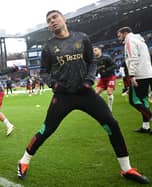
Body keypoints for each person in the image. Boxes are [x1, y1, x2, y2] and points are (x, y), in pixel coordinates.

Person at [17, 10, 149, 184]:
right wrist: (54, 85)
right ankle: (24, 161)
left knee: (112, 125)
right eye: (49, 20)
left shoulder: (82, 37)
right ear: (48, 26)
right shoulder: (48, 47)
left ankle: (126, 169)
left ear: (63, 19)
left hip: (85, 93)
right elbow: (43, 71)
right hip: (63, 96)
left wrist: (89, 80)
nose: (52, 21)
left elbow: (91, 61)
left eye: (55, 17)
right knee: (46, 130)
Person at [117, 27, 152, 133]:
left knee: (134, 101)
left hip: (139, 75)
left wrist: (132, 75)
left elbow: (133, 57)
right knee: (144, 100)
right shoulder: (140, 40)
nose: (119, 38)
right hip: (147, 73)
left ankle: (149, 118)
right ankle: (145, 126)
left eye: (119, 35)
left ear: (125, 33)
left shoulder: (130, 41)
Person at [94, 46, 116, 111]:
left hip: (110, 77)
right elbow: (95, 70)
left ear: (100, 50)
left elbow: (114, 65)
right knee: (96, 94)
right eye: (93, 51)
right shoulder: (94, 60)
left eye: (95, 50)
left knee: (109, 92)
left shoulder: (107, 57)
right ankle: (102, 106)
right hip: (102, 78)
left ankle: (110, 109)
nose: (94, 52)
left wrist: (106, 70)